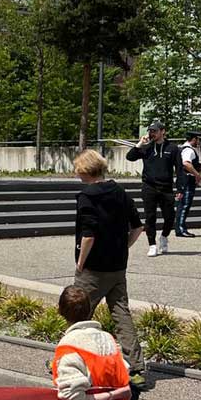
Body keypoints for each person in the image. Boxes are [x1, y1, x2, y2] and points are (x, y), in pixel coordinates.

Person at [72, 149, 146, 385]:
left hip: (93, 268)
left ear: (85, 170)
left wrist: (80, 263)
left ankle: (73, 362)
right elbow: (137, 227)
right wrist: (122, 247)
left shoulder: (87, 196)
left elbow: (88, 235)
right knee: (121, 313)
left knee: (79, 316)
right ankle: (135, 368)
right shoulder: (120, 191)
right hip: (117, 266)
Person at [51, 286, 134, 400]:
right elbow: (124, 383)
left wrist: (110, 395)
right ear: (89, 309)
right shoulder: (107, 339)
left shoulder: (68, 345)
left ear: (60, 311)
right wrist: (117, 394)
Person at [125, 119, 180, 257]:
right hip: (149, 187)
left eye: (155, 131)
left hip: (166, 187)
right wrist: (139, 144)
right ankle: (152, 245)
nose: (152, 133)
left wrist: (180, 189)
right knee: (150, 217)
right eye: (150, 131)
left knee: (170, 216)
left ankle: (164, 236)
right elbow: (130, 157)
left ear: (163, 132)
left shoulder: (172, 148)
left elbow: (179, 169)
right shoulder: (147, 147)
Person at [175, 130, 201, 237]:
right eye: (198, 139)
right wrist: (197, 174)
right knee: (185, 204)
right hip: (187, 179)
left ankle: (180, 227)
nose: (199, 142)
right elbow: (186, 163)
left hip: (183, 179)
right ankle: (181, 228)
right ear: (194, 138)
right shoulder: (189, 150)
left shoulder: (183, 149)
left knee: (183, 204)